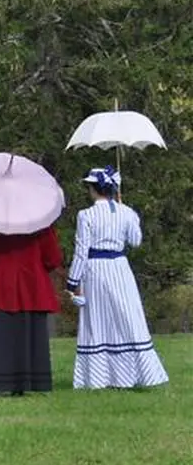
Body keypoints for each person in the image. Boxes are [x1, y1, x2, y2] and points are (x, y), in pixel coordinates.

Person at [64, 166, 168, 389]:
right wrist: (130, 216)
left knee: (98, 321)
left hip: (96, 270)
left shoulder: (86, 215)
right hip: (120, 269)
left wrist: (72, 282)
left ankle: (99, 379)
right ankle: (132, 376)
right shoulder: (126, 212)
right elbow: (136, 241)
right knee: (127, 317)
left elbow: (81, 251)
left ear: (93, 189)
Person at [0, 225, 63, 396]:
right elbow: (52, 259)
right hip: (30, 283)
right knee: (26, 335)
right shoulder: (40, 220)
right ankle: (24, 382)